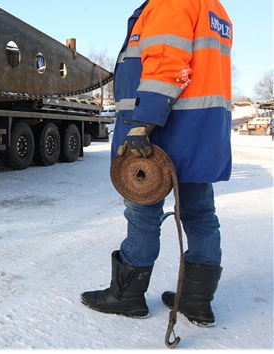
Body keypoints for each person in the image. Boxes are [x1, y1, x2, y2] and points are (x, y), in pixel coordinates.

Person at [81, 0, 233, 328]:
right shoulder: (215, 9)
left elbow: (167, 64)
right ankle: (196, 301)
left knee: (142, 212)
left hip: (167, 130)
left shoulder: (172, 4)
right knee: (201, 215)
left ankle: (127, 296)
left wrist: (142, 123)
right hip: (201, 131)